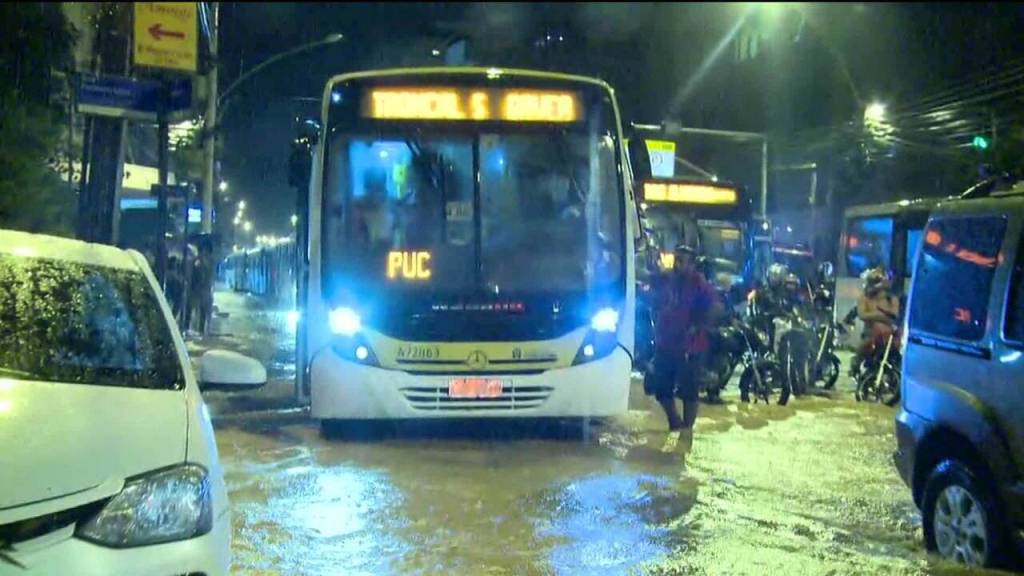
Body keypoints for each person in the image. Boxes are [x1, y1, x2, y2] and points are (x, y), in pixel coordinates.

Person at [649, 243, 721, 437]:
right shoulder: (667, 280)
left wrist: (698, 326)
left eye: (683, 261)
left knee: (689, 391)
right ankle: (674, 421)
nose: (678, 264)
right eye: (677, 260)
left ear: (692, 264)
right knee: (661, 387)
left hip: (690, 345)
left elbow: (715, 307)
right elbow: (654, 298)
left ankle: (687, 430)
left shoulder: (700, 285)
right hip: (666, 342)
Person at [851, 267, 900, 376]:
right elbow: (862, 315)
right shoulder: (863, 298)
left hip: (889, 335)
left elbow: (894, 315)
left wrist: (877, 316)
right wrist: (881, 316)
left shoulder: (891, 299)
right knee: (865, 344)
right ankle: (856, 363)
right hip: (871, 332)